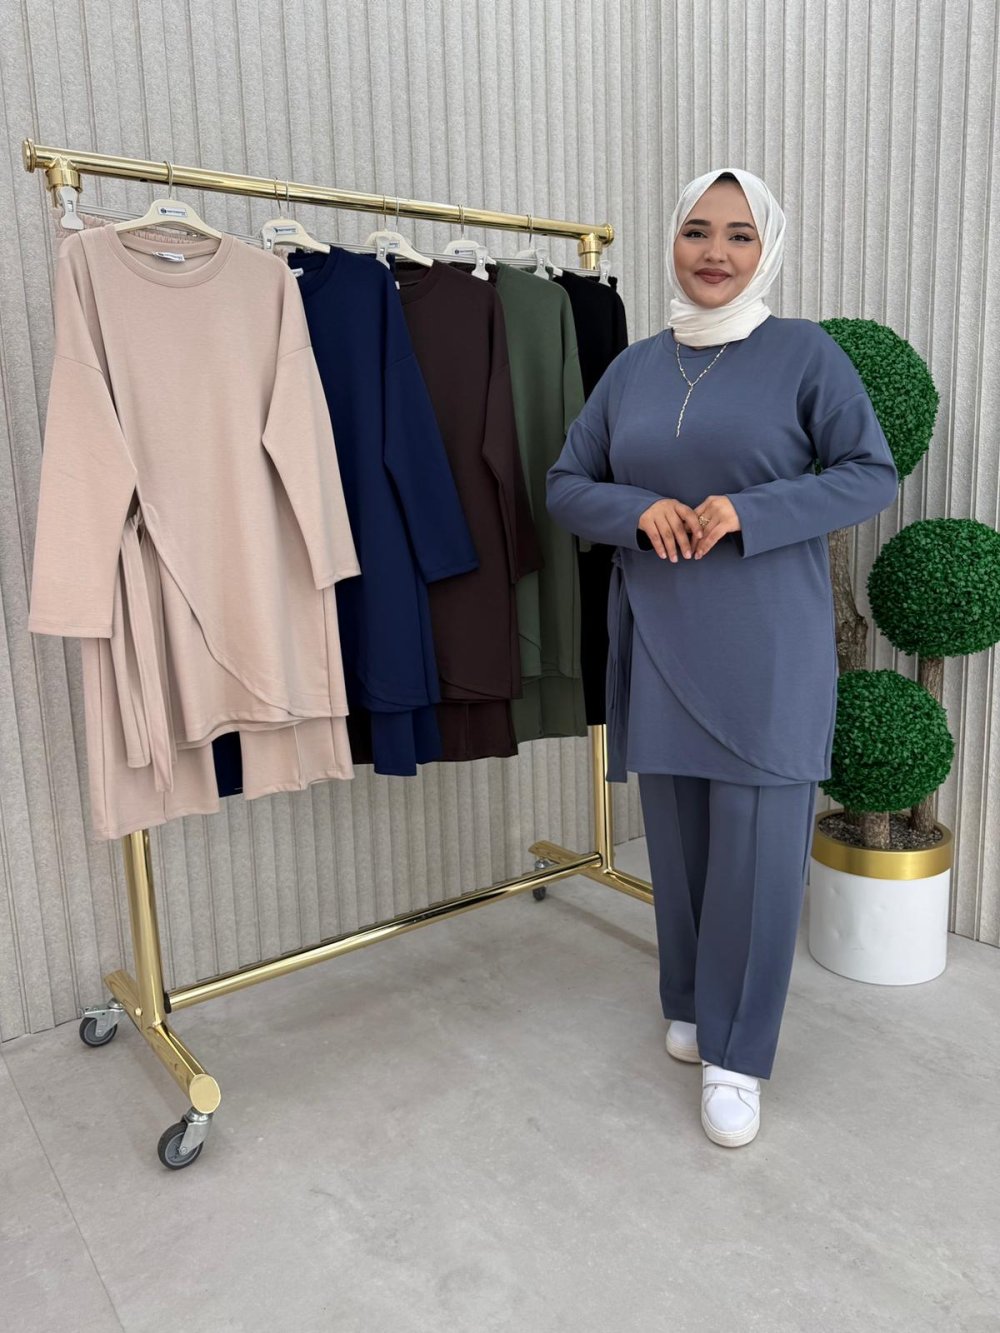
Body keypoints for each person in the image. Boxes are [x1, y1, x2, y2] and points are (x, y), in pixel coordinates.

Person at [546, 167, 899, 1148]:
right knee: (680, 842)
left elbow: (869, 472)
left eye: (739, 235)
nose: (714, 252)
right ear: (672, 239)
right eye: (697, 230)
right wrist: (635, 510)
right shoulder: (633, 369)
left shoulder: (803, 353)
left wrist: (751, 510)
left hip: (766, 644)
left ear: (766, 248)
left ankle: (738, 1053)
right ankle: (692, 1002)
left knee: (754, 849)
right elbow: (567, 483)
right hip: (658, 634)